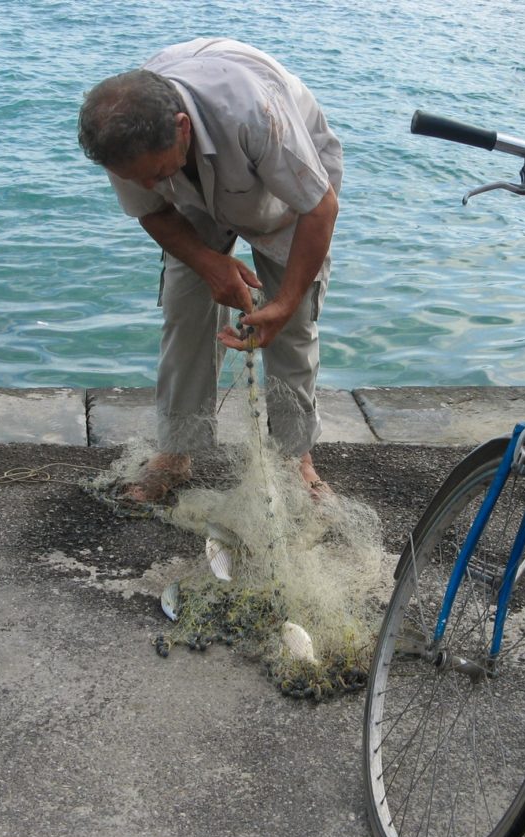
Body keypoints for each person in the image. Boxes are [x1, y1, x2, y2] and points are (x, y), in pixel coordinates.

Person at [78, 37, 342, 502]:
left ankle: (293, 455)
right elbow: (153, 210)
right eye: (133, 177)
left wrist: (280, 305)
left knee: (293, 325)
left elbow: (320, 208)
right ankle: (177, 450)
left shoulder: (255, 112)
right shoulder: (123, 138)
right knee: (184, 310)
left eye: (154, 174)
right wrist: (208, 262)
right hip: (193, 189)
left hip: (289, 193)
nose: (145, 186)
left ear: (181, 128)